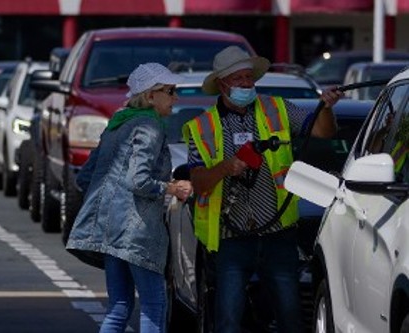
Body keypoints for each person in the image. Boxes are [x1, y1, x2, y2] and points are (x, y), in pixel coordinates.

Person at [182, 46, 343, 333]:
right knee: (228, 321)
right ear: (222, 84)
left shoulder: (277, 108)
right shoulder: (201, 126)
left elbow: (323, 132)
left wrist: (326, 107)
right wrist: (225, 168)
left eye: (249, 77)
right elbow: (199, 183)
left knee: (290, 318)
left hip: (278, 234)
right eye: (238, 78)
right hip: (231, 239)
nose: (247, 84)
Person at [66, 62, 192, 333]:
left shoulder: (117, 123)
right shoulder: (150, 126)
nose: (175, 98)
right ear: (150, 96)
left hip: (110, 231)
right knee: (153, 305)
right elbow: (139, 180)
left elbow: (84, 177)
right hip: (138, 233)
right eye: (169, 91)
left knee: (119, 306)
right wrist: (172, 188)